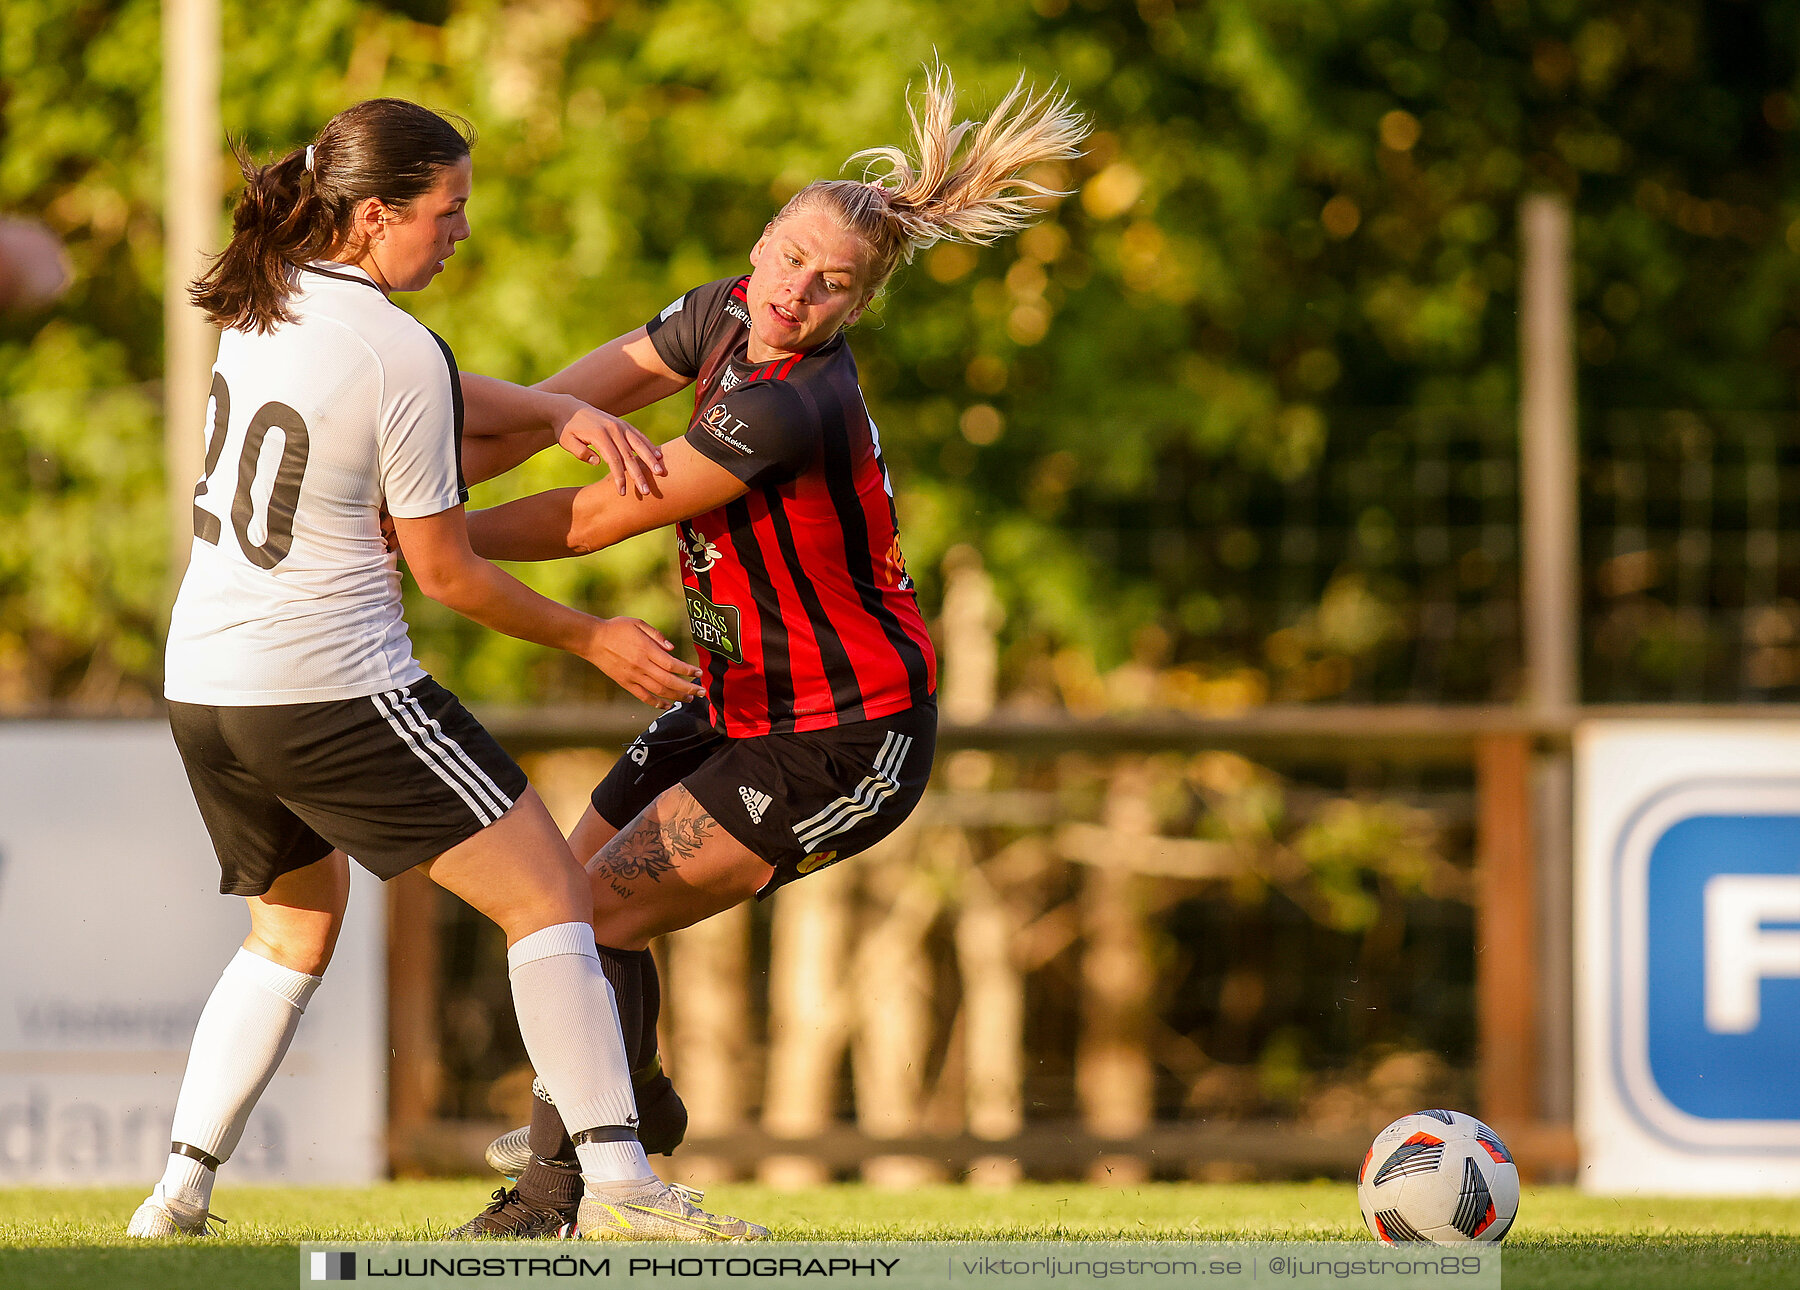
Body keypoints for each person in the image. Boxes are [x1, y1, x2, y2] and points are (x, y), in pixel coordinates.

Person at [445, 65, 1087, 1237]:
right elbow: (552, 407)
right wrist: (416, 459)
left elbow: (594, 517)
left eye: (830, 285)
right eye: (789, 259)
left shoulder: (793, 403)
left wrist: (420, 542)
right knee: (557, 910)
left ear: (856, 308)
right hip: (736, 702)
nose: (795, 293)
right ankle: (624, 1102)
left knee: (590, 910)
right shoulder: (719, 313)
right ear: (761, 243)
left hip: (847, 737)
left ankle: (553, 1195)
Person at [130, 97, 766, 1244]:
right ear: (378, 216)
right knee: (552, 896)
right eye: (450, 208)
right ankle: (623, 1180)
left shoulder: (269, 299)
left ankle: (176, 1192)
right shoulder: (396, 346)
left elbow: (436, 396)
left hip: (207, 685)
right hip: (328, 685)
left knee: (290, 936)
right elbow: (453, 576)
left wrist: (561, 406)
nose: (462, 230)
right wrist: (595, 638)